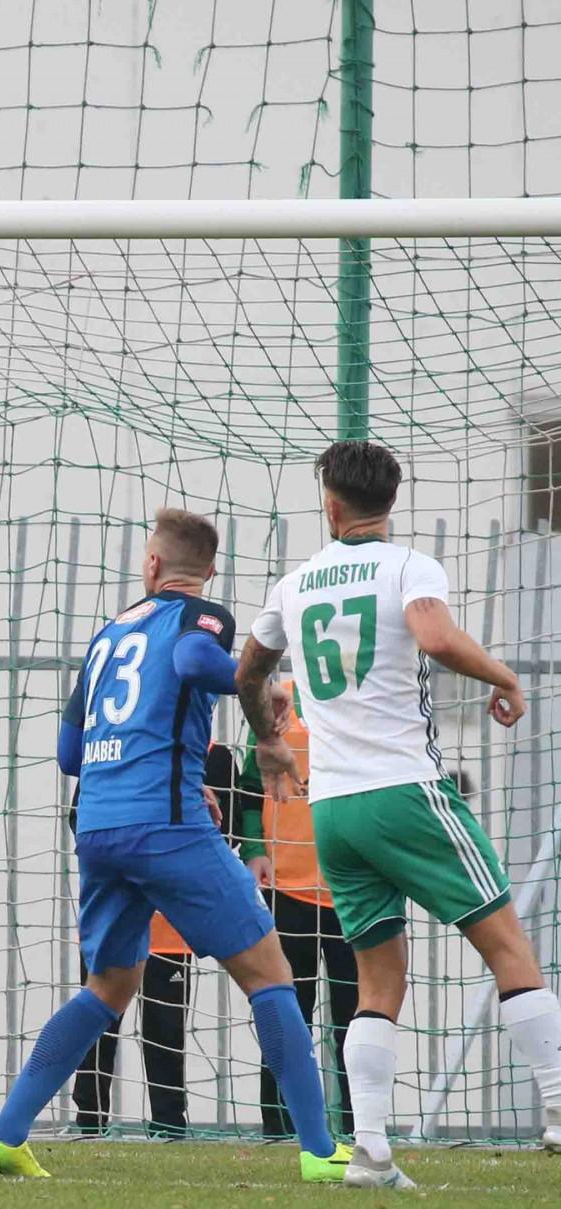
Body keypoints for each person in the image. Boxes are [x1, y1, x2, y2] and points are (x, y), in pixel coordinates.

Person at [0, 509, 349, 1181]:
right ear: (208, 571)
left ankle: (4, 1134)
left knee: (109, 985)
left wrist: (155, 760)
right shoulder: (202, 617)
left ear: (151, 565)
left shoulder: (108, 634)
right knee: (270, 973)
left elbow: (68, 753)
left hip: (99, 827)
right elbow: (196, 661)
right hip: (165, 825)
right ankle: (321, 1151)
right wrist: (254, 684)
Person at [236, 439, 561, 1190]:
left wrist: (267, 740)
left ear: (331, 505)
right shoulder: (409, 566)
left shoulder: (295, 584)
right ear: (391, 501)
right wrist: (506, 676)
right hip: (406, 790)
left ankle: (372, 1152)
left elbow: (248, 671)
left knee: (378, 982)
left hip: (334, 809)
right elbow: (436, 636)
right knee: (510, 947)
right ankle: (556, 1105)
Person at [69, 744, 240, 1138]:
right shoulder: (114, 747)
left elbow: (228, 830)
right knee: (97, 1019)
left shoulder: (215, 758)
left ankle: (169, 1123)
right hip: (112, 915)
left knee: (166, 1027)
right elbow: (79, 818)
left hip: (170, 924)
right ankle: (89, 1120)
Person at [236, 684, 358, 1139]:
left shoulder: (369, 700)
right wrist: (254, 848)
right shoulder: (277, 702)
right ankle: (279, 1126)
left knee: (357, 1018)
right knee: (287, 1011)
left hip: (355, 889)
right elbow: (249, 788)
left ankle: (360, 1128)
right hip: (285, 888)